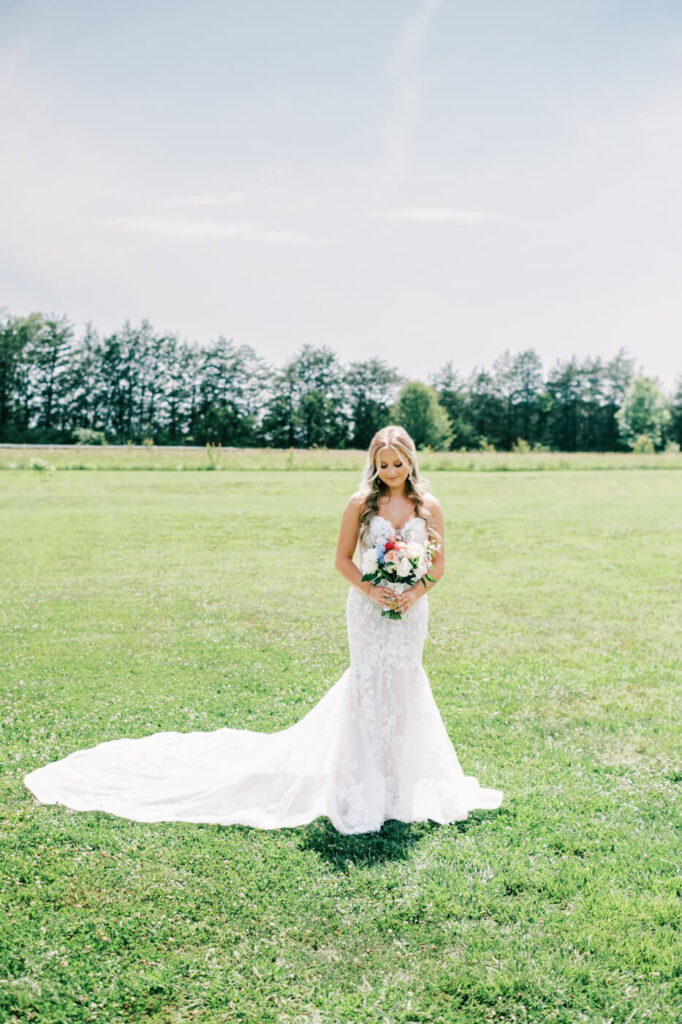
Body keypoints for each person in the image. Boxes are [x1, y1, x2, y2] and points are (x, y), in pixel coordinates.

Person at [24, 425, 503, 835]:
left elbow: (438, 566)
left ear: (410, 462)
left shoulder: (428, 507)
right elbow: (341, 559)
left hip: (409, 612)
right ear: (374, 464)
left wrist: (412, 593)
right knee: (368, 684)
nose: (390, 472)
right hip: (368, 609)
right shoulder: (360, 503)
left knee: (404, 686)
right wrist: (372, 591)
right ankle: (361, 784)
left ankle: (402, 788)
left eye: (397, 464)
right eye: (383, 465)